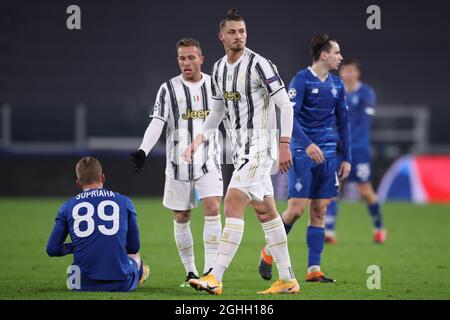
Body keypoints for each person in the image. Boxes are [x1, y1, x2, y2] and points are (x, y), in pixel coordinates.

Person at [184, 8, 299, 295]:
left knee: (233, 201)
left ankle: (215, 276)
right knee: (266, 213)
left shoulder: (260, 65)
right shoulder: (220, 70)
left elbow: (285, 105)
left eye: (243, 31)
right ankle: (287, 279)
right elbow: (218, 110)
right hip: (240, 151)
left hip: (260, 147)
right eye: (233, 32)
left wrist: (284, 144)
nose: (239, 37)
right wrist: (199, 139)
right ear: (221, 36)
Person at [258, 34, 351, 283]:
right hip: (302, 153)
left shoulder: (337, 85)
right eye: (337, 52)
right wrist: (307, 144)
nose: (340, 57)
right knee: (296, 210)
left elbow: (343, 123)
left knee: (320, 210)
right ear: (324, 55)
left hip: (329, 155)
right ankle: (268, 250)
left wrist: (347, 157)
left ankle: (314, 269)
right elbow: (290, 116)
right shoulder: (300, 80)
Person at [130, 38, 223, 287]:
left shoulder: (215, 85)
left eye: (191, 57)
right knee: (181, 216)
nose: (186, 62)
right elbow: (158, 121)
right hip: (177, 164)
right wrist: (143, 151)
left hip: (209, 160)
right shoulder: (168, 89)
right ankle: (191, 271)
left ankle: (211, 270)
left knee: (213, 207)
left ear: (201, 59)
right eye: (182, 58)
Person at [46, 156, 149, 292]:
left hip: (80, 284)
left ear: (78, 183)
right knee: (136, 257)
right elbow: (133, 247)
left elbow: (52, 249)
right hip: (121, 284)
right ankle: (138, 275)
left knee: (74, 268)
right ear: (103, 178)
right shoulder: (125, 202)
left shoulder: (66, 207)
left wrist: (76, 245)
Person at [324, 59, 387, 244]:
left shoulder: (366, 93)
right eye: (345, 71)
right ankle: (329, 231)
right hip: (336, 149)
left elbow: (364, 124)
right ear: (340, 73)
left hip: (358, 149)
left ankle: (379, 228)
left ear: (357, 73)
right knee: (333, 189)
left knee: (365, 190)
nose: (348, 74)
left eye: (351, 71)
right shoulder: (335, 91)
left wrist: (347, 142)